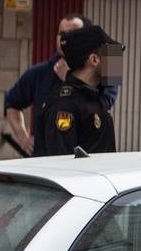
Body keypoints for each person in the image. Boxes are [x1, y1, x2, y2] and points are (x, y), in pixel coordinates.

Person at [4, 13, 120, 156]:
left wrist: (70, 77)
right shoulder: (40, 74)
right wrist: (23, 138)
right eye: (62, 34)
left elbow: (106, 98)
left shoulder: (101, 76)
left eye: (73, 33)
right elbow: (11, 103)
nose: (65, 39)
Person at [36, 24, 121, 157]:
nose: (116, 62)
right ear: (94, 60)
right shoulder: (64, 107)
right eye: (111, 55)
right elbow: (60, 166)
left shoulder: (95, 100)